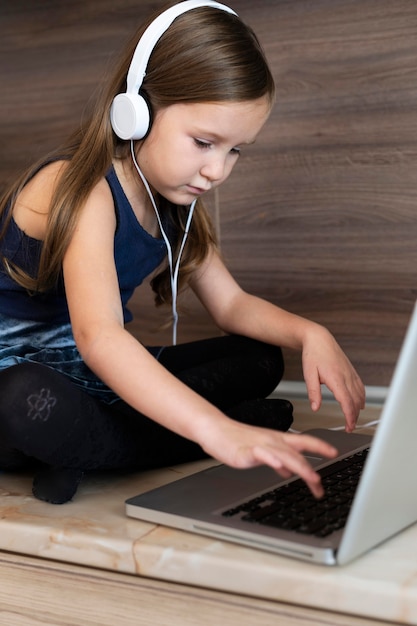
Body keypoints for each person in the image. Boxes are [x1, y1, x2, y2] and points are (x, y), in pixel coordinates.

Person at [0, 0, 365, 504]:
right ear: (136, 112)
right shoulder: (83, 188)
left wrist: (311, 334)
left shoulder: (175, 203)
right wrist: (215, 428)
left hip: (84, 377)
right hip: (23, 378)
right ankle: (157, 440)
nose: (218, 171)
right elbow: (100, 338)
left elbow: (231, 306)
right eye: (203, 142)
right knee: (24, 402)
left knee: (258, 358)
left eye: (234, 150)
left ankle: (91, 447)